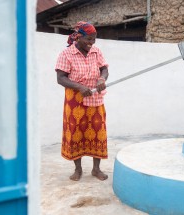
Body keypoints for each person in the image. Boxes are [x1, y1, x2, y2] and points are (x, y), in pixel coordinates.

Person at [55, 21, 109, 181]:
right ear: (78, 37)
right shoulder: (66, 54)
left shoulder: (96, 52)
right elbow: (60, 78)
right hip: (75, 100)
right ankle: (78, 170)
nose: (91, 43)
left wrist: (101, 79)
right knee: (76, 132)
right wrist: (79, 87)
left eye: (94, 40)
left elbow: (104, 69)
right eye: (89, 40)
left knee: (98, 132)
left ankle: (96, 169)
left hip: (95, 97)